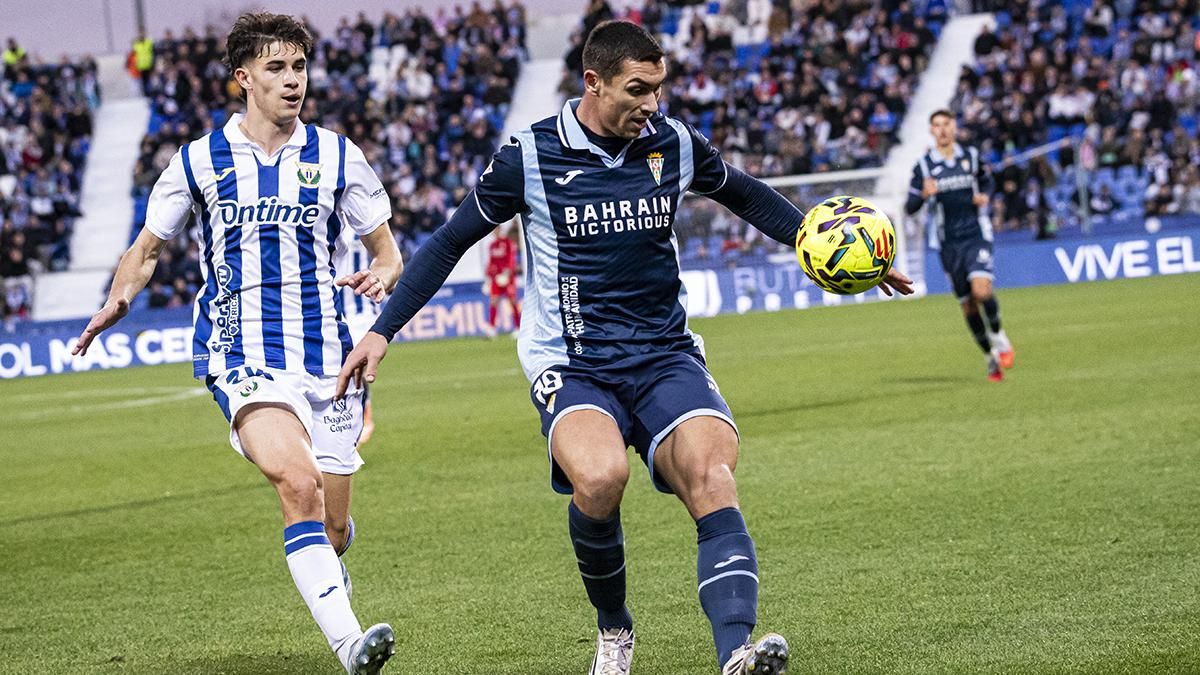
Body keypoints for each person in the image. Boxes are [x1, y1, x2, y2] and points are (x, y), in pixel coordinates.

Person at [337, 20, 912, 675]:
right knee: (601, 476)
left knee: (712, 474)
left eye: (658, 89)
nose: (652, 104)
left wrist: (830, 243)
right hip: (572, 360)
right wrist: (382, 330)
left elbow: (747, 196)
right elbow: (447, 241)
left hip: (664, 352)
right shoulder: (528, 157)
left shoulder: (674, 144)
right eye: (637, 90)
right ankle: (615, 629)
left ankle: (737, 654)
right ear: (594, 82)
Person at [73, 13, 402, 674]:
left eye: (300, 68)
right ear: (242, 79)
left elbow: (388, 252)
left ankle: (330, 556)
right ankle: (351, 645)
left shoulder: (340, 156)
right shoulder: (197, 161)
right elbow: (147, 248)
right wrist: (119, 296)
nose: (293, 82)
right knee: (297, 481)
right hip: (241, 355)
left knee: (331, 529)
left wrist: (383, 275)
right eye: (277, 69)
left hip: (330, 360)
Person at [905, 109, 1014, 382]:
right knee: (968, 305)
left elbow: (988, 181)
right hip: (947, 242)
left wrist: (985, 197)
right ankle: (990, 358)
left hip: (976, 234)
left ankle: (999, 334)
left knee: (982, 289)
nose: (942, 130)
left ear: (954, 128)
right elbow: (909, 207)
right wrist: (923, 195)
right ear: (932, 131)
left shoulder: (972, 157)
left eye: (946, 124)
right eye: (936, 125)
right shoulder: (923, 167)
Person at [334, 228, 383, 444]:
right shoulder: (325, 220)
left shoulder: (364, 222)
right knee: (338, 368)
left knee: (357, 366)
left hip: (363, 310)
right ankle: (348, 421)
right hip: (335, 308)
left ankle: (363, 417)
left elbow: (386, 255)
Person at [483, 225, 521, 337]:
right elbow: (491, 262)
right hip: (496, 278)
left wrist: (507, 273)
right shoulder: (492, 246)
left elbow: (511, 259)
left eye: (495, 230)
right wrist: (488, 277)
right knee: (493, 301)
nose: (494, 232)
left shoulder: (508, 243)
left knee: (512, 300)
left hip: (507, 277)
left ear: (499, 230)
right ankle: (492, 328)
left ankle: (518, 327)